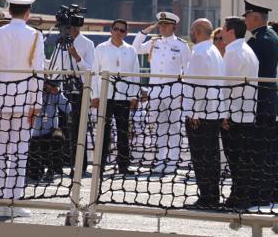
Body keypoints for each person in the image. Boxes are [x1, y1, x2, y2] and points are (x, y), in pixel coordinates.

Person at [0, 0, 46, 218]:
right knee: (19, 153)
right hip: (24, 99)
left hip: (1, 99)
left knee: (0, 152)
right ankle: (14, 200)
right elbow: (38, 70)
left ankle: (0, 200)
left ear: (9, 10)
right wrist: (36, 103)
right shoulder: (36, 36)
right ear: (28, 12)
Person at [133, 11, 191, 173]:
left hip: (174, 91)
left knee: (174, 127)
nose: (163, 28)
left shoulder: (181, 45)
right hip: (156, 91)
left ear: (174, 26)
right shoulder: (153, 42)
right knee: (158, 127)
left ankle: (172, 160)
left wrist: (184, 94)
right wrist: (145, 31)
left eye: (166, 25)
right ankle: (161, 159)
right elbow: (135, 49)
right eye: (161, 24)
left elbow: (187, 71)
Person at [242, 1, 278, 204]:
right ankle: (270, 191)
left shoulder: (259, 41)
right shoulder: (270, 36)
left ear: (256, 18)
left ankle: (260, 193)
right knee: (269, 150)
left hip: (260, 101)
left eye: (247, 16)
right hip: (268, 100)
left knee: (259, 150)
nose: (245, 20)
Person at [182, 18, 225, 209]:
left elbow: (197, 86)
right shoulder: (214, 50)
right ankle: (212, 195)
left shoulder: (199, 53)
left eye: (192, 29)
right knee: (212, 156)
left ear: (198, 31)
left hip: (201, 114)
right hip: (214, 111)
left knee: (201, 157)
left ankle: (207, 197)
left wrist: (194, 113)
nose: (190, 32)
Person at [91, 19, 140, 176]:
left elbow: (135, 74)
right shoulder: (101, 48)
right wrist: (95, 95)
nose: (119, 33)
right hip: (105, 96)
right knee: (103, 132)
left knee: (123, 132)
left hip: (124, 96)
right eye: (116, 29)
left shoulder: (131, 50)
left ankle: (123, 166)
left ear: (126, 33)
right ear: (111, 30)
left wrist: (134, 96)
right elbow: (94, 73)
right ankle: (100, 165)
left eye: (122, 30)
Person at [220, 15, 260, 210]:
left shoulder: (233, 53)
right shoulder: (248, 50)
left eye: (223, 28)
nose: (220, 32)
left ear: (230, 31)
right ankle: (241, 196)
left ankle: (238, 197)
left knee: (235, 159)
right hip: (247, 112)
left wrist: (224, 114)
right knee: (243, 159)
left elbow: (226, 85)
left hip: (234, 114)